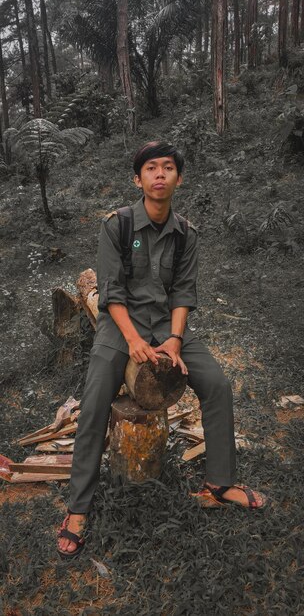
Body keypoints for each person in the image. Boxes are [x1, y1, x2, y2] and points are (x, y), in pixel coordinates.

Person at [57, 141, 266, 559]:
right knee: (97, 398)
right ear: (138, 179)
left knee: (217, 383)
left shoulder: (186, 233)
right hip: (121, 328)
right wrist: (133, 342)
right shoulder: (116, 226)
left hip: (166, 325)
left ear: (178, 178)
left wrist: (174, 340)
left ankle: (219, 483)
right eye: (150, 168)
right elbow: (112, 291)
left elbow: (184, 291)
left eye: (167, 168)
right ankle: (78, 506)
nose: (159, 174)